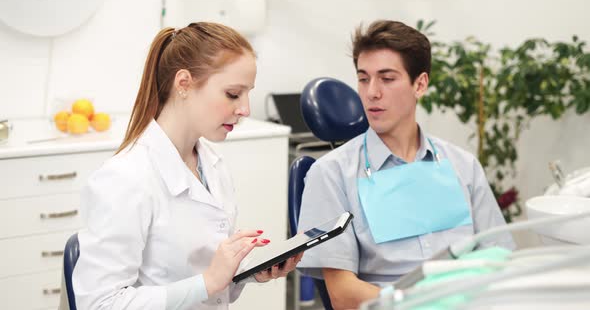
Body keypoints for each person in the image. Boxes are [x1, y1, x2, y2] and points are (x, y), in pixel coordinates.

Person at [73, 22, 302, 310]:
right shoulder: (124, 178)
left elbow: (216, 291)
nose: (245, 109)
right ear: (184, 84)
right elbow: (98, 304)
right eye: (233, 94)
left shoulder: (212, 167)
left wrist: (245, 273)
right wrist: (207, 282)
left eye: (247, 94)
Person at [296, 20, 515, 309]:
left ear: (420, 84)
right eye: (364, 79)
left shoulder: (462, 165)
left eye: (387, 79)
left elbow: (500, 259)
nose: (372, 92)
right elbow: (343, 294)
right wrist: (420, 302)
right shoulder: (332, 174)